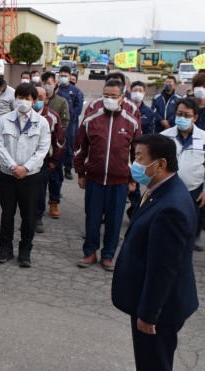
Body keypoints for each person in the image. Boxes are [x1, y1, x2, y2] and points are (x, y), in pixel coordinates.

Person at [112, 133, 199, 371]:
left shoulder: (171, 208)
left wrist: (149, 314)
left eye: (139, 157)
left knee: (153, 363)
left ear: (160, 163)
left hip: (160, 308)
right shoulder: (160, 189)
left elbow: (163, 268)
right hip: (154, 300)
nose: (134, 163)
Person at [74, 79, 142, 271]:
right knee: (92, 218)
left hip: (119, 182)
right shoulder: (91, 120)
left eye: (113, 96)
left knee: (114, 220)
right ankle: (89, 252)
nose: (109, 99)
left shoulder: (132, 123)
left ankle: (109, 255)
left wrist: (133, 180)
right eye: (106, 95)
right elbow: (80, 148)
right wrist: (80, 173)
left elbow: (137, 155)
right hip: (94, 179)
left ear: (122, 97)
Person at [0, 83, 51, 267]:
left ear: (34, 101)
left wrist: (25, 168)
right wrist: (12, 166)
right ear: (15, 98)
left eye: (27, 98)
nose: (23, 101)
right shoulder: (4, 120)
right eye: (20, 97)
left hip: (30, 176)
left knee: (28, 215)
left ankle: (25, 251)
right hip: (7, 175)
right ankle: (5, 249)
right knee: (7, 213)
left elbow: (43, 149)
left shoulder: (42, 122)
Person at [161, 98, 205, 251]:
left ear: (195, 118)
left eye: (187, 115)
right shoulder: (164, 137)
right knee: (167, 225)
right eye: (179, 114)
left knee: (189, 226)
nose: (182, 118)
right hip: (168, 191)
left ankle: (185, 253)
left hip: (194, 191)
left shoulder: (203, 137)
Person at [34, 86, 65, 233]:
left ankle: (37, 217)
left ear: (46, 99)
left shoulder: (53, 117)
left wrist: (54, 161)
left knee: (40, 191)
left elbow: (59, 142)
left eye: (41, 97)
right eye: (35, 97)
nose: (37, 100)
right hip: (22, 161)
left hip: (43, 162)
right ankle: (26, 217)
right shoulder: (22, 114)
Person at [126, 81, 157, 218]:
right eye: (135, 90)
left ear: (144, 93)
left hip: (139, 155)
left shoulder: (149, 113)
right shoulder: (125, 109)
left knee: (135, 184)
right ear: (130, 91)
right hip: (124, 152)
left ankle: (135, 212)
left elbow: (151, 135)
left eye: (140, 90)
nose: (137, 92)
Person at [41, 71, 70, 218]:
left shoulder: (61, 101)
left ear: (55, 84)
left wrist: (56, 136)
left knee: (55, 176)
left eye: (49, 83)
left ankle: (54, 202)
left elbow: (65, 123)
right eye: (44, 83)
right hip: (39, 146)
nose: (46, 86)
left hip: (55, 145)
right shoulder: (36, 99)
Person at [58, 66, 84, 180]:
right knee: (56, 143)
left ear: (69, 76)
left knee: (69, 145)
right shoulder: (56, 89)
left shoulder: (76, 91)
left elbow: (79, 108)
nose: (63, 78)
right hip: (57, 122)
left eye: (65, 76)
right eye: (61, 76)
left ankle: (67, 169)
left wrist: (68, 118)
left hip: (70, 123)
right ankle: (56, 165)